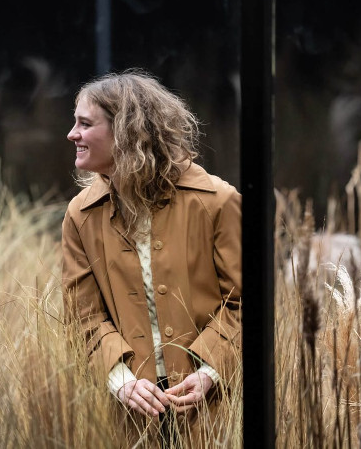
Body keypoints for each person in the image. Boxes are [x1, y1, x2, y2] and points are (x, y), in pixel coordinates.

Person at [61, 70, 241, 445]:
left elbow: (241, 303)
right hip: (126, 418)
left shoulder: (217, 202)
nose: (72, 134)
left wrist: (209, 371)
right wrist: (123, 382)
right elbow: (83, 318)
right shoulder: (80, 215)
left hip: (212, 412)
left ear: (125, 131)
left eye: (84, 123)